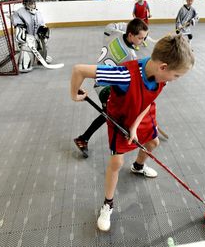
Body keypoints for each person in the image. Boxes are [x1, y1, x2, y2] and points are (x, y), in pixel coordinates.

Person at [71, 34, 195, 232]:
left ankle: (138, 166)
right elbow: (79, 70)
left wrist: (136, 126)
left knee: (153, 144)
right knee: (116, 163)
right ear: (163, 67)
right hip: (120, 118)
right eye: (177, 76)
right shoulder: (124, 75)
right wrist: (74, 93)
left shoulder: (162, 75)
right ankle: (107, 204)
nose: (176, 80)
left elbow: (148, 102)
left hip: (141, 113)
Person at [74, 18, 149, 157]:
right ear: (131, 35)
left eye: (144, 38)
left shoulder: (114, 33)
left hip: (100, 75)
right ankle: (85, 139)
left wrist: (129, 26)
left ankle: (83, 138)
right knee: (110, 113)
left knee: (107, 113)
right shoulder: (130, 56)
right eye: (140, 38)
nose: (142, 41)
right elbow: (133, 79)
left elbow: (110, 25)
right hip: (104, 86)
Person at [12, 0, 52, 73]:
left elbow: (42, 25)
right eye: (30, 3)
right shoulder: (19, 12)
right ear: (25, 4)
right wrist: (24, 37)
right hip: (27, 39)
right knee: (27, 47)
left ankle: (41, 59)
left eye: (33, 3)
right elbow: (19, 27)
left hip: (36, 37)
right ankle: (23, 64)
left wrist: (44, 35)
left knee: (43, 44)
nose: (33, 4)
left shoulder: (38, 12)